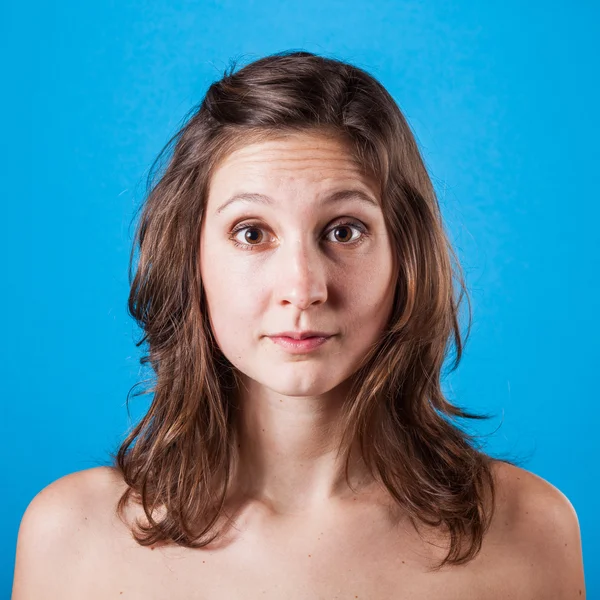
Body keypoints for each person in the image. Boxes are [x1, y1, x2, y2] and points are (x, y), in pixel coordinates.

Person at [12, 50, 585, 599]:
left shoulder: (531, 532)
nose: (303, 289)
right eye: (252, 233)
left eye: (343, 231)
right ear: (193, 258)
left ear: (405, 256)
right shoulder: (69, 539)